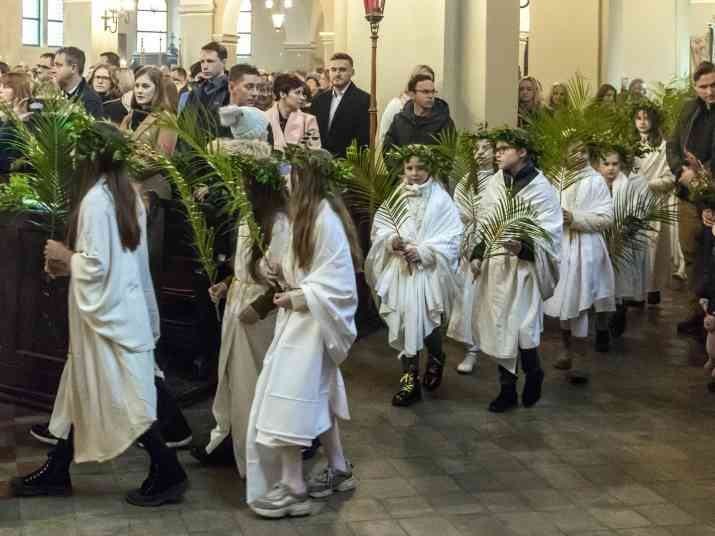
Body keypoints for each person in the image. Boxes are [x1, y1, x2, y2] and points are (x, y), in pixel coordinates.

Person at [11, 122, 188, 506]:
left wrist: (65, 257)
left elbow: (97, 266)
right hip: (122, 310)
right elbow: (122, 263)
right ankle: (57, 470)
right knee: (79, 391)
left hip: (104, 318)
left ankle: (168, 470)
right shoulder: (127, 195)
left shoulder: (96, 201)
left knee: (124, 398)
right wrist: (70, 264)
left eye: (78, 151)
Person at [246, 149, 362, 518]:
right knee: (318, 395)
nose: (284, 178)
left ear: (306, 178)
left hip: (312, 325)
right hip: (303, 321)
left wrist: (298, 296)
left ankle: (293, 488)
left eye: (290, 172)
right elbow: (309, 270)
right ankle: (339, 467)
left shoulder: (323, 219)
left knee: (289, 400)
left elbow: (339, 284)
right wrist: (280, 271)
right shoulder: (308, 215)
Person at [191, 115, 290, 472]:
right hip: (238, 301)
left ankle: (257, 450)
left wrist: (258, 307)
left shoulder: (279, 222)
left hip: (259, 313)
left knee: (255, 381)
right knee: (232, 377)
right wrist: (228, 283)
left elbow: (285, 276)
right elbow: (246, 263)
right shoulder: (249, 216)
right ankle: (229, 438)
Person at [470, 128, 562, 413]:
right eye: (496, 149)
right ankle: (507, 389)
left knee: (523, 327)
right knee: (501, 327)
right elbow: (486, 220)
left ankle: (533, 371)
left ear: (522, 152)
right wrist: (478, 253)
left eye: (503, 149)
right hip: (498, 266)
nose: (497, 154)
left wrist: (523, 246)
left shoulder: (541, 188)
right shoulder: (496, 182)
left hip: (524, 268)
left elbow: (550, 231)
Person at [366, 146, 463, 407]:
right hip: (400, 270)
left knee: (426, 321)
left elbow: (453, 237)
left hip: (428, 271)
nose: (414, 173)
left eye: (420, 167)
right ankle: (409, 382)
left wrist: (423, 252)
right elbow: (380, 228)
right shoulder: (396, 196)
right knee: (405, 323)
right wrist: (392, 241)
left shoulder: (441, 199)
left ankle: (436, 355)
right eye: (409, 168)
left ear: (430, 169)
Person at [544, 143, 615, 373]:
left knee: (580, 302)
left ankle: (580, 357)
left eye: (583, 151)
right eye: (573, 150)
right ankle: (566, 349)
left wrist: (574, 218)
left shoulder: (596, 180)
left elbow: (606, 218)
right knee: (563, 299)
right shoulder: (556, 178)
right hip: (561, 245)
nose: (578, 155)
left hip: (586, 248)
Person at [667, 61, 715, 337]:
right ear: (695, 88)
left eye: (714, 85)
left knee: (712, 258)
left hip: (713, 195)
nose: (709, 91)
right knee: (691, 254)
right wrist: (680, 172)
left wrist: (703, 177)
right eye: (703, 86)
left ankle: (712, 316)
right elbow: (672, 145)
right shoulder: (688, 110)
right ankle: (697, 312)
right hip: (687, 195)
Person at [447, 137, 497, 374]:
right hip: (471, 242)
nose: (480, 153)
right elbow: (457, 213)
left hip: (497, 244)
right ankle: (472, 349)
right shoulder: (466, 181)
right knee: (469, 297)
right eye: (476, 149)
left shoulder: (502, 180)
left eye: (486, 148)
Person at [598, 150, 650, 338]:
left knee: (622, 281)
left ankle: (620, 311)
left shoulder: (630, 184)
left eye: (615, 164)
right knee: (601, 284)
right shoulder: (594, 184)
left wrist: (623, 233)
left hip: (624, 241)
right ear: (598, 166)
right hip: (600, 240)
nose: (611, 168)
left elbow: (638, 212)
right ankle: (601, 326)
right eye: (606, 164)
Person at [632, 102, 676, 305]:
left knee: (653, 246)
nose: (642, 122)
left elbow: (671, 177)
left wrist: (649, 184)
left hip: (655, 201)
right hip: (633, 201)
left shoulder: (664, 146)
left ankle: (652, 287)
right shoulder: (630, 144)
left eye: (646, 118)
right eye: (638, 118)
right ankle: (635, 291)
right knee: (634, 245)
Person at [312, 53, 370, 158]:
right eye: (333, 70)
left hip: (348, 163)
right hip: (320, 162)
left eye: (342, 70)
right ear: (329, 72)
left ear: (352, 72)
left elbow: (364, 140)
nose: (337, 74)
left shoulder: (364, 100)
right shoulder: (319, 100)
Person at [382, 73, 454, 150]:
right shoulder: (399, 120)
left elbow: (451, 152)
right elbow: (387, 149)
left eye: (433, 92)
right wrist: (404, 156)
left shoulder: (444, 121)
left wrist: (426, 153)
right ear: (412, 94)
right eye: (425, 92)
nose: (430, 96)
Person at [180, 41, 231, 139]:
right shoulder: (196, 90)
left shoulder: (231, 90)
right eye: (202, 62)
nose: (205, 66)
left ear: (223, 62)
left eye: (210, 61)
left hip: (219, 146)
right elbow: (183, 123)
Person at [378, 65, 435, 147]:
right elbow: (384, 138)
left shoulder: (436, 111)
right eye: (421, 79)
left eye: (429, 80)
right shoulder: (396, 105)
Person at [265, 73, 320, 151]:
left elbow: (315, 152)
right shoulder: (264, 117)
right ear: (282, 94)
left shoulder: (308, 120)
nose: (302, 98)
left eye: (302, 93)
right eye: (297, 93)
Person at [52, 46, 104, 119]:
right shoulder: (57, 91)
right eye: (54, 65)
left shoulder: (90, 100)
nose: (53, 70)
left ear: (73, 68)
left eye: (58, 65)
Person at [0, 72, 33, 175]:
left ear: (19, 90)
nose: (0, 90)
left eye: (6, 87)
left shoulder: (29, 121)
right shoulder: (4, 116)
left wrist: (12, 121)